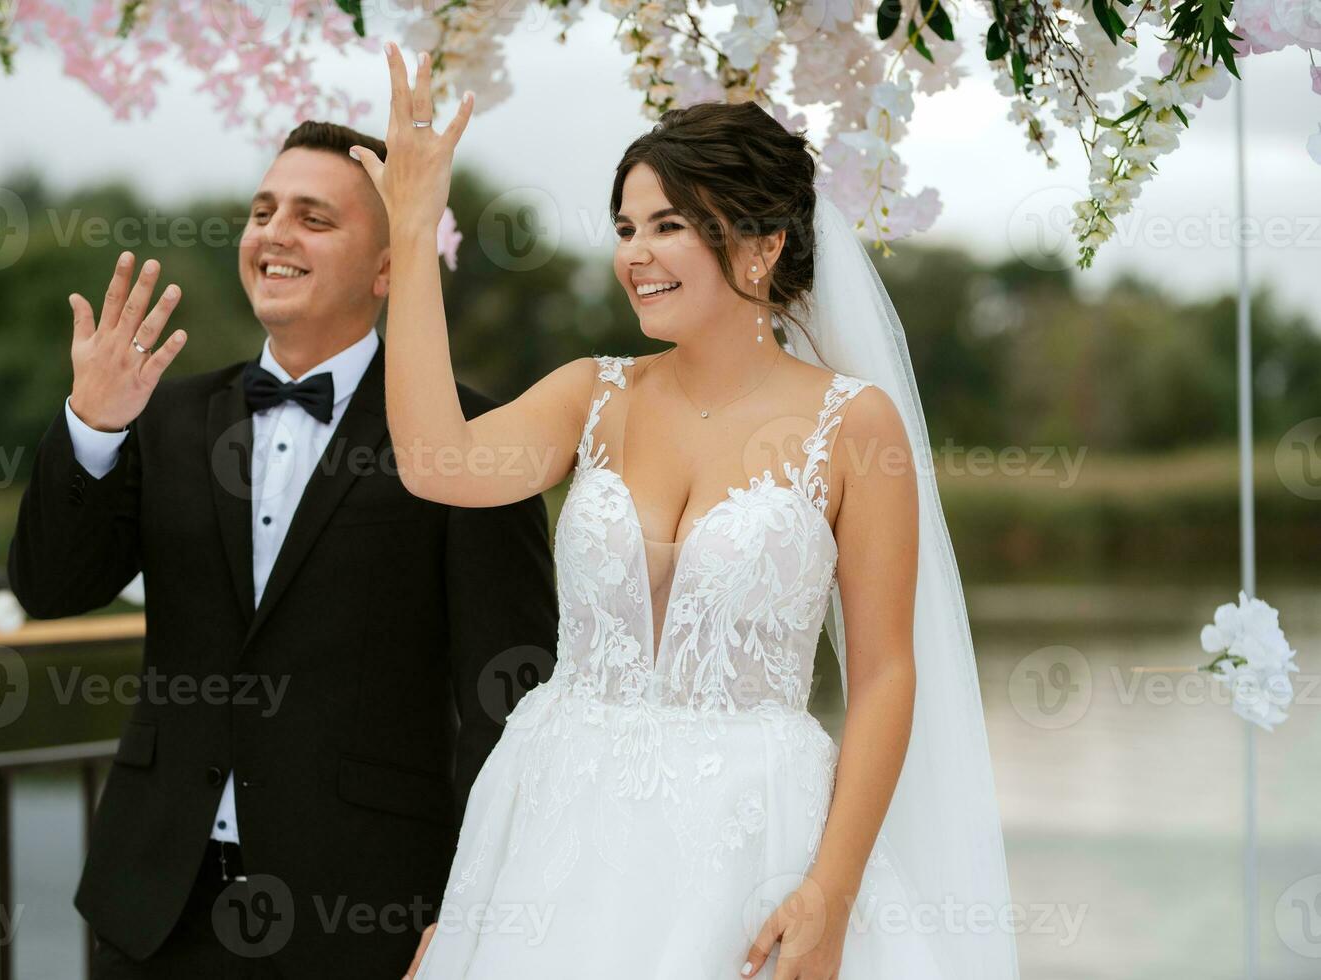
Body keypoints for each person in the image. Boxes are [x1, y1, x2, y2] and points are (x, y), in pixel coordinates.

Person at [352, 43, 1021, 980]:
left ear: (760, 243)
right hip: (556, 825)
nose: (635, 254)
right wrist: (414, 235)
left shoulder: (852, 425)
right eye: (625, 227)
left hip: (750, 845)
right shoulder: (592, 393)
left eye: (668, 225)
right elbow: (433, 463)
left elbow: (883, 679)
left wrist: (829, 891)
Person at [7, 119, 559, 978]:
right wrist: (92, 425)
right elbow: (47, 587)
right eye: (263, 210)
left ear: (387, 268)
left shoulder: (477, 441)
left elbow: (510, 705)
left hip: (364, 917)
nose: (273, 233)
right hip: (155, 908)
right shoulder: (167, 418)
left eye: (313, 217)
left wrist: (469, 911)